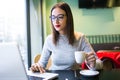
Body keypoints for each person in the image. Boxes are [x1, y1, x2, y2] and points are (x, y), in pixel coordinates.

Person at [30, 2, 103, 73]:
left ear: (68, 18)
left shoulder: (80, 38)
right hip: (55, 76)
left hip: (74, 77)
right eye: (53, 17)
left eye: (60, 17)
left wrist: (94, 64)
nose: (56, 21)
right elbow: (42, 64)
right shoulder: (49, 39)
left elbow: (100, 63)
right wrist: (37, 67)